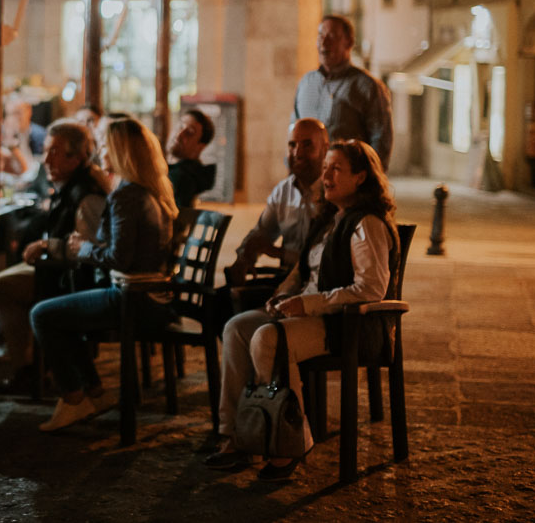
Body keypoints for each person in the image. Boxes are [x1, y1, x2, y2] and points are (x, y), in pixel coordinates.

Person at [207, 139, 397, 482]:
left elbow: (370, 288)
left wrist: (306, 304)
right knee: (237, 327)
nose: (326, 175)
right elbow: (303, 273)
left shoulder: (365, 224)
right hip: (307, 312)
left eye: (336, 168)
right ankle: (236, 433)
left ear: (360, 177)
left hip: (341, 323)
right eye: (325, 167)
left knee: (268, 339)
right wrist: (282, 296)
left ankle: (288, 442)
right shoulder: (329, 219)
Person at [30, 118, 178, 431]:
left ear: (119, 151)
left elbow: (118, 259)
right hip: (153, 298)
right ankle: (94, 392)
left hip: (131, 299)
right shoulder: (148, 191)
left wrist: (82, 248)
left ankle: (73, 398)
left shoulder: (127, 195)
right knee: (64, 308)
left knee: (42, 314)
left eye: (105, 144)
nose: (99, 151)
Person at [0, 120, 107, 394]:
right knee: (3, 278)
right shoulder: (71, 184)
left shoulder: (86, 194)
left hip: (74, 279)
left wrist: (48, 246)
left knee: (1, 286)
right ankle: (33, 362)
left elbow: (89, 249)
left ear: (77, 157)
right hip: (57, 268)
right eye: (45, 151)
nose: (45, 159)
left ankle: (27, 369)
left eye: (54, 152)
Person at [225, 118, 329, 287]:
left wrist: (277, 252)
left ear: (325, 150)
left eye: (307, 145)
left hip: (319, 285)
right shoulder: (283, 191)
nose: (298, 153)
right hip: (287, 282)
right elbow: (262, 232)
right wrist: (244, 257)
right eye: (292, 145)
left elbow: (325, 260)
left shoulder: (333, 191)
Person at [291, 15, 393, 169]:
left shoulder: (368, 87)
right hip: (307, 184)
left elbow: (381, 141)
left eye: (332, 36)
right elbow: (294, 131)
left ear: (349, 42)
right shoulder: (306, 83)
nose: (324, 42)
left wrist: (368, 184)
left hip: (346, 187)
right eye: (321, 35)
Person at [167, 108, 217, 207]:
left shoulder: (182, 179)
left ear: (200, 147)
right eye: (180, 126)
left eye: (189, 132)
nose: (179, 134)